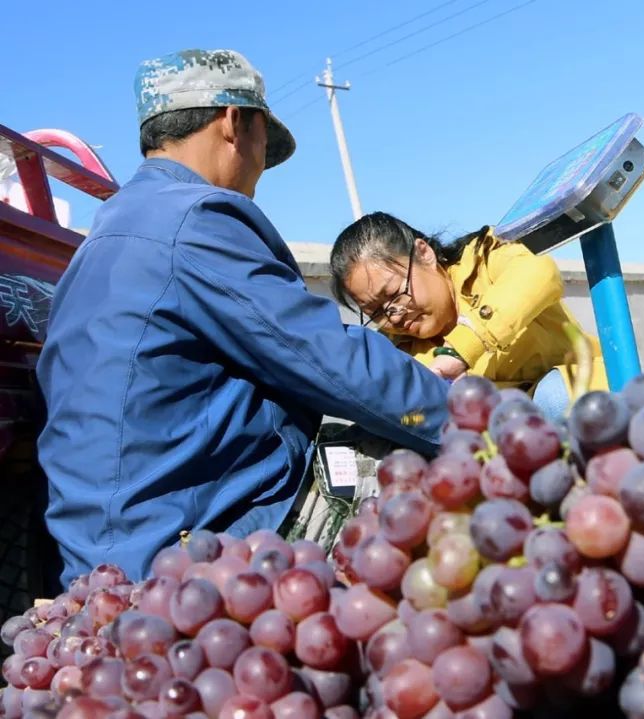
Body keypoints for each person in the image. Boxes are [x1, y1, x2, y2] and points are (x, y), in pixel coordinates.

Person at [36, 49, 450, 586]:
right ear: (234, 122)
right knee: (420, 469)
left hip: (107, 556)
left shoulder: (109, 234)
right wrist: (474, 423)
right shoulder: (194, 219)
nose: (260, 168)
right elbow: (331, 361)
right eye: (263, 144)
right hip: (189, 552)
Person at [329, 212, 607, 419]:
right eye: (376, 312)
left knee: (553, 398)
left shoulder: (485, 257)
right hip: (513, 448)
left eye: (394, 293)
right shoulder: (396, 351)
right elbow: (408, 420)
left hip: (585, 395)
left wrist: (463, 347)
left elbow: (537, 273)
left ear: (424, 254)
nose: (395, 315)